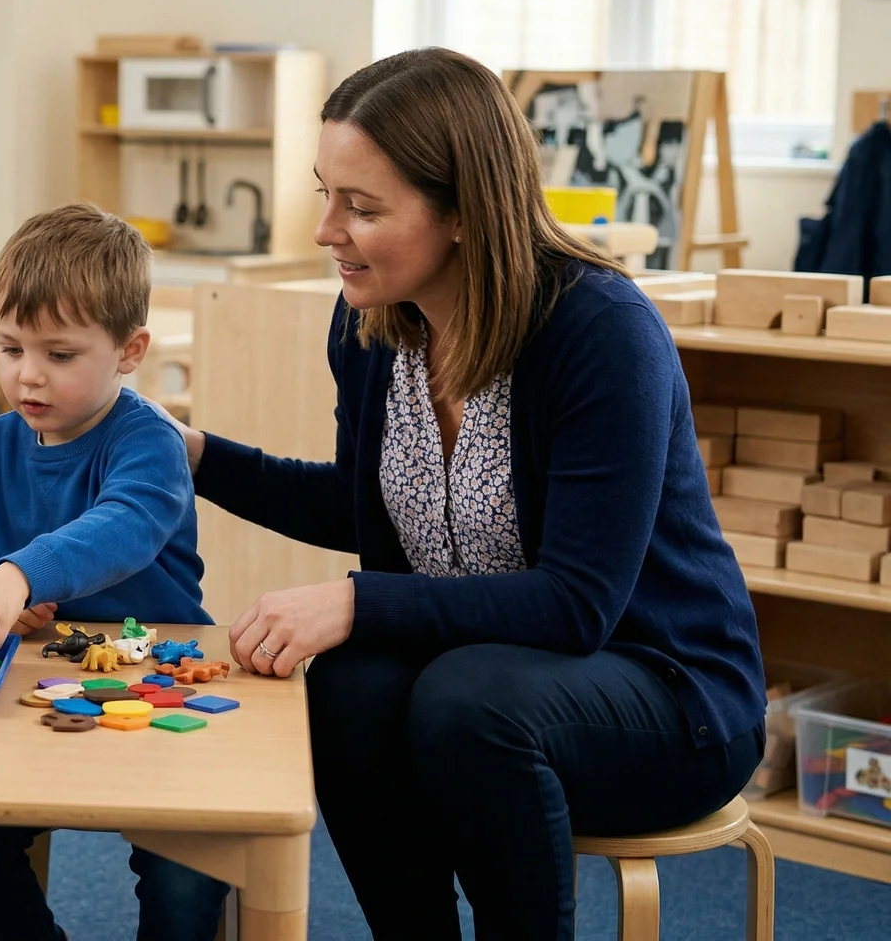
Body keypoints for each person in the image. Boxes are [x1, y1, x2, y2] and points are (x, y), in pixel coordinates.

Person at [167, 48, 765, 939]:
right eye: (325, 191)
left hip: (668, 693)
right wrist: (196, 455)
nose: (327, 228)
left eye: (362, 207)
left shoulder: (601, 331)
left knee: (465, 700)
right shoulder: (369, 320)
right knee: (351, 690)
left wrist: (356, 601)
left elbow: (576, 605)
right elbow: (364, 505)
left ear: (460, 213)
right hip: (493, 681)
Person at [0, 205, 225, 941]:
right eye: (10, 348)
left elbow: (123, 527)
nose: (27, 374)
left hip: (154, 688)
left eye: (59, 355)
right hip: (30, 692)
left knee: (190, 868)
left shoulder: (148, 440)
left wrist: (20, 574)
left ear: (130, 351)